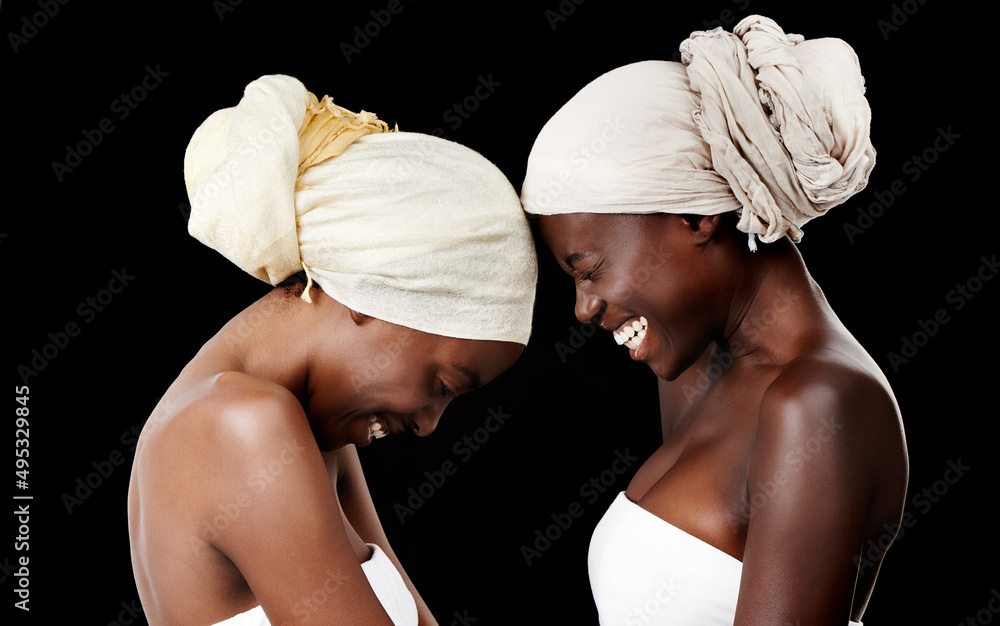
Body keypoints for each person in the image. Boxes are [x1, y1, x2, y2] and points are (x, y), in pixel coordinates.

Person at [520, 15, 907, 626]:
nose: (584, 307)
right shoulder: (694, 369)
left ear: (695, 218)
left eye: (589, 269)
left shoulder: (821, 403)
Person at [128, 75, 537, 626]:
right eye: (443, 386)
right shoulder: (240, 425)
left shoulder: (310, 432)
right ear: (376, 296)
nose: (430, 425)